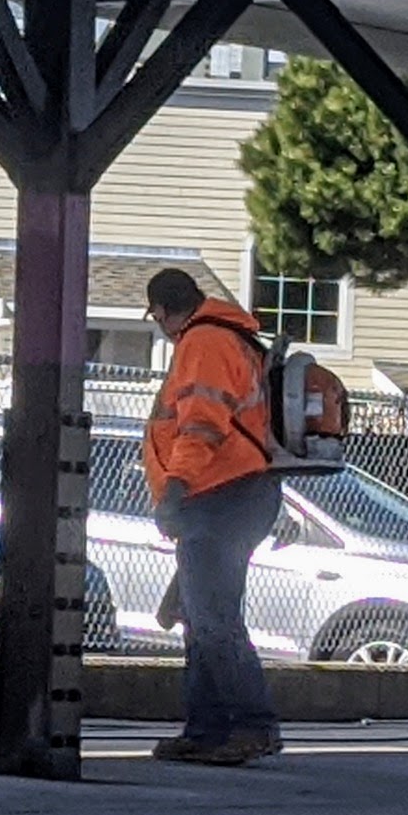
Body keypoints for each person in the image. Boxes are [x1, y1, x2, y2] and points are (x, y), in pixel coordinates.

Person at [140, 264, 282, 764]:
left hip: (220, 494)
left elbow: (202, 424)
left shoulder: (204, 342)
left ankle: (251, 726)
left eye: (154, 314)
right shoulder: (230, 337)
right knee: (200, 619)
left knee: (214, 620)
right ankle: (206, 729)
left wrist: (175, 488)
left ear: (160, 310)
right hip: (236, 496)